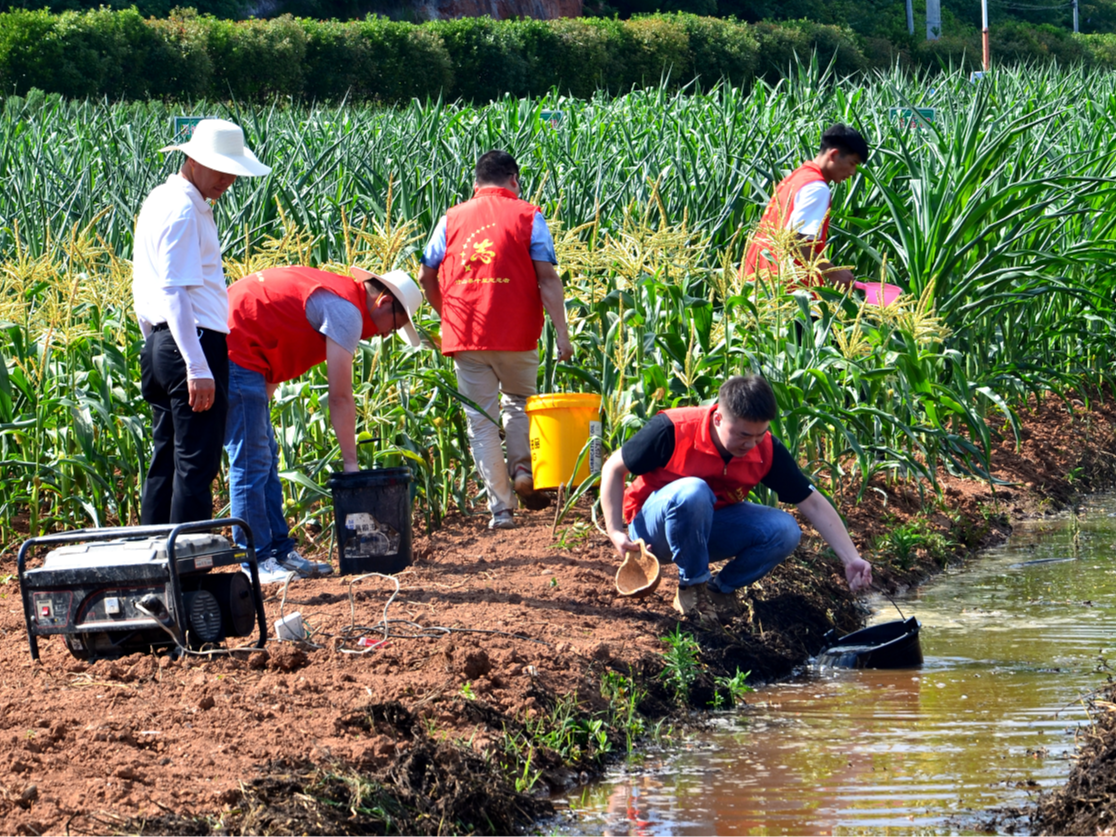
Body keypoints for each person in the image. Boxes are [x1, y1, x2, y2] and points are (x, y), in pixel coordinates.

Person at [601, 374, 873, 625]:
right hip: (652, 533)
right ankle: (691, 588)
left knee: (785, 530)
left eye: (759, 434)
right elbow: (613, 468)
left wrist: (851, 559)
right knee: (693, 491)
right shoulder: (673, 429)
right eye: (743, 435)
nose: (751, 444)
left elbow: (810, 501)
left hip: (707, 529)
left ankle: (719, 591)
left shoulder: (766, 448)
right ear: (718, 419)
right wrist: (614, 531)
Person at [225, 265, 422, 582]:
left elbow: (276, 323)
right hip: (235, 346)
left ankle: (279, 552)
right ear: (384, 301)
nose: (387, 334)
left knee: (264, 455)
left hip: (246, 347)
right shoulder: (346, 312)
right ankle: (256, 561)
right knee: (250, 459)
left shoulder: (339, 294)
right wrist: (351, 466)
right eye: (395, 326)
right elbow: (340, 398)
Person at [417, 150, 573, 531]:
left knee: (481, 422)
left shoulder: (450, 219)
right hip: (517, 333)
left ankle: (500, 509)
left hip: (466, 336)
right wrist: (563, 335)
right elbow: (548, 279)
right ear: (514, 180)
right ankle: (523, 469)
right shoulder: (528, 215)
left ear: (476, 184)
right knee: (519, 403)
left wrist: (449, 317)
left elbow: (425, 275)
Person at [132, 119, 271, 525]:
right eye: (219, 168)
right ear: (192, 160)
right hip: (190, 340)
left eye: (233, 171)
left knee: (167, 459)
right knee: (196, 462)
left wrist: (159, 346)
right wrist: (194, 362)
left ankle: (155, 556)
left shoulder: (163, 199)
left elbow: (148, 285)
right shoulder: (182, 210)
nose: (227, 179)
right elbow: (174, 290)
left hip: (164, 341)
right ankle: (185, 567)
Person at [743, 124, 870, 291]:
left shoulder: (797, 178)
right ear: (834, 155)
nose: (853, 172)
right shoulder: (817, 188)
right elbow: (791, 242)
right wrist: (833, 272)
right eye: (852, 163)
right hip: (783, 291)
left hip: (756, 282)